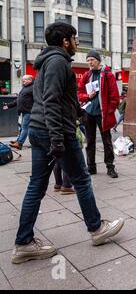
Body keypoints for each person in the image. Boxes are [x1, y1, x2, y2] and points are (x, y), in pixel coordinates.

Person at [11, 22, 124, 264]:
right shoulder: (58, 62)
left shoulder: (48, 61)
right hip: (56, 131)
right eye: (74, 38)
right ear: (65, 41)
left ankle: (23, 243)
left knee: (37, 185)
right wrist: (58, 139)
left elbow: (56, 99)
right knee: (82, 180)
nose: (77, 43)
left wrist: (78, 113)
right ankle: (96, 229)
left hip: (41, 129)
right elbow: (51, 101)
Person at [78, 50, 120, 178]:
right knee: (90, 141)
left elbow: (115, 97)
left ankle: (110, 167)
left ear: (98, 61)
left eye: (92, 59)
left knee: (107, 141)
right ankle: (91, 167)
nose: (90, 62)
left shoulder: (108, 75)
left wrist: (109, 111)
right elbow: (79, 93)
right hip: (88, 113)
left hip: (103, 114)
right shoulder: (86, 75)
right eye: (88, 60)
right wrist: (87, 96)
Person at [2, 75, 34, 150]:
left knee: (24, 128)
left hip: (29, 111)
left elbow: (38, 99)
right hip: (24, 111)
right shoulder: (25, 88)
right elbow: (18, 99)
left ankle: (19, 143)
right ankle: (18, 141)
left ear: (30, 80)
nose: (23, 81)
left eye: (25, 79)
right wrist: (9, 105)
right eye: (23, 79)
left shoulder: (33, 88)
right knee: (22, 128)